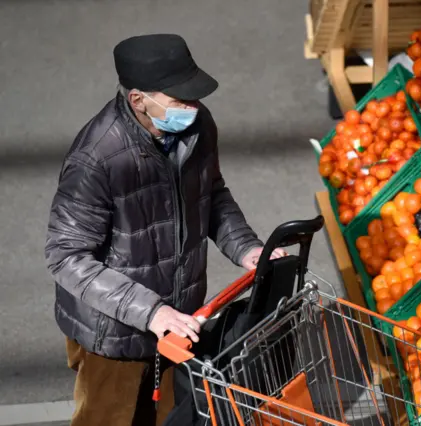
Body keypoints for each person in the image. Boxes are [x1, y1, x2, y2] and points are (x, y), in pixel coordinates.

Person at [44, 33, 284, 426]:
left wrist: (245, 248)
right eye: (180, 100)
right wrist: (151, 312)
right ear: (138, 99)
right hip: (113, 335)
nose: (193, 107)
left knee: (174, 418)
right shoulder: (97, 157)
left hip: (180, 321)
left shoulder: (198, 126)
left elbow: (212, 195)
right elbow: (65, 256)